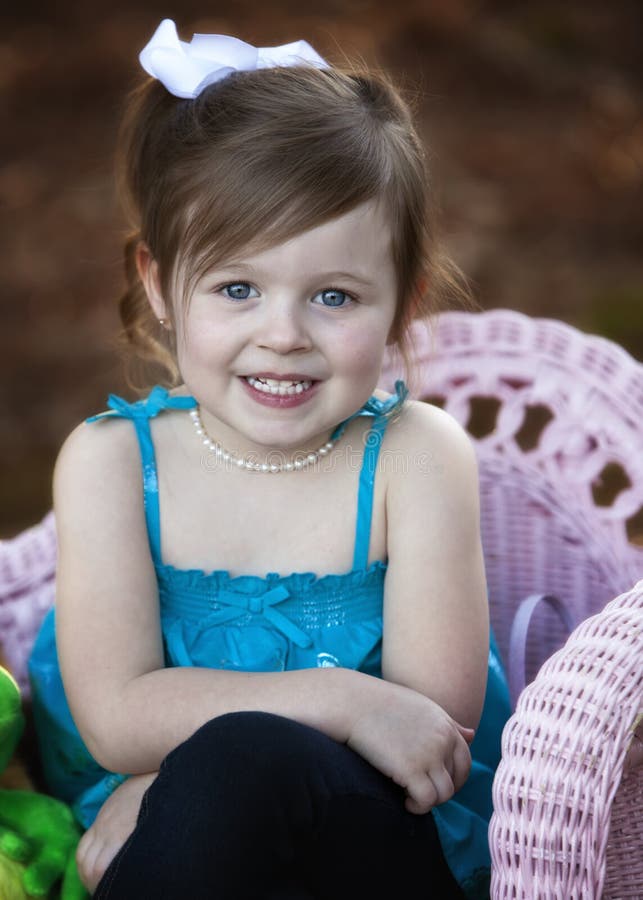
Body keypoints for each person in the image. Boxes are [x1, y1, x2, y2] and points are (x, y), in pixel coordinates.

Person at [28, 18, 511, 900]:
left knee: (237, 760)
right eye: (237, 288)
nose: (282, 335)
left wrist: (188, 774)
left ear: (402, 301)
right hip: (165, 838)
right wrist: (341, 702)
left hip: (377, 844)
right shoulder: (109, 465)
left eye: (333, 295)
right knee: (224, 774)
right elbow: (117, 717)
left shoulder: (414, 460)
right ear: (158, 284)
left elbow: (427, 734)